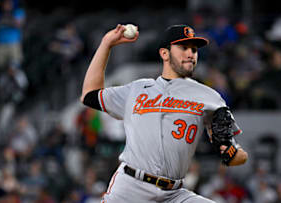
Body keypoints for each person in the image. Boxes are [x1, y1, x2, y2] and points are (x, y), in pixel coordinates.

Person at [80, 24, 248, 203]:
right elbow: (89, 95)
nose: (191, 53)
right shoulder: (137, 89)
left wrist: (230, 152)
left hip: (174, 194)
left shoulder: (209, 97)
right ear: (164, 53)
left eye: (194, 49)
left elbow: (236, 155)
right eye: (183, 48)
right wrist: (106, 44)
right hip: (131, 188)